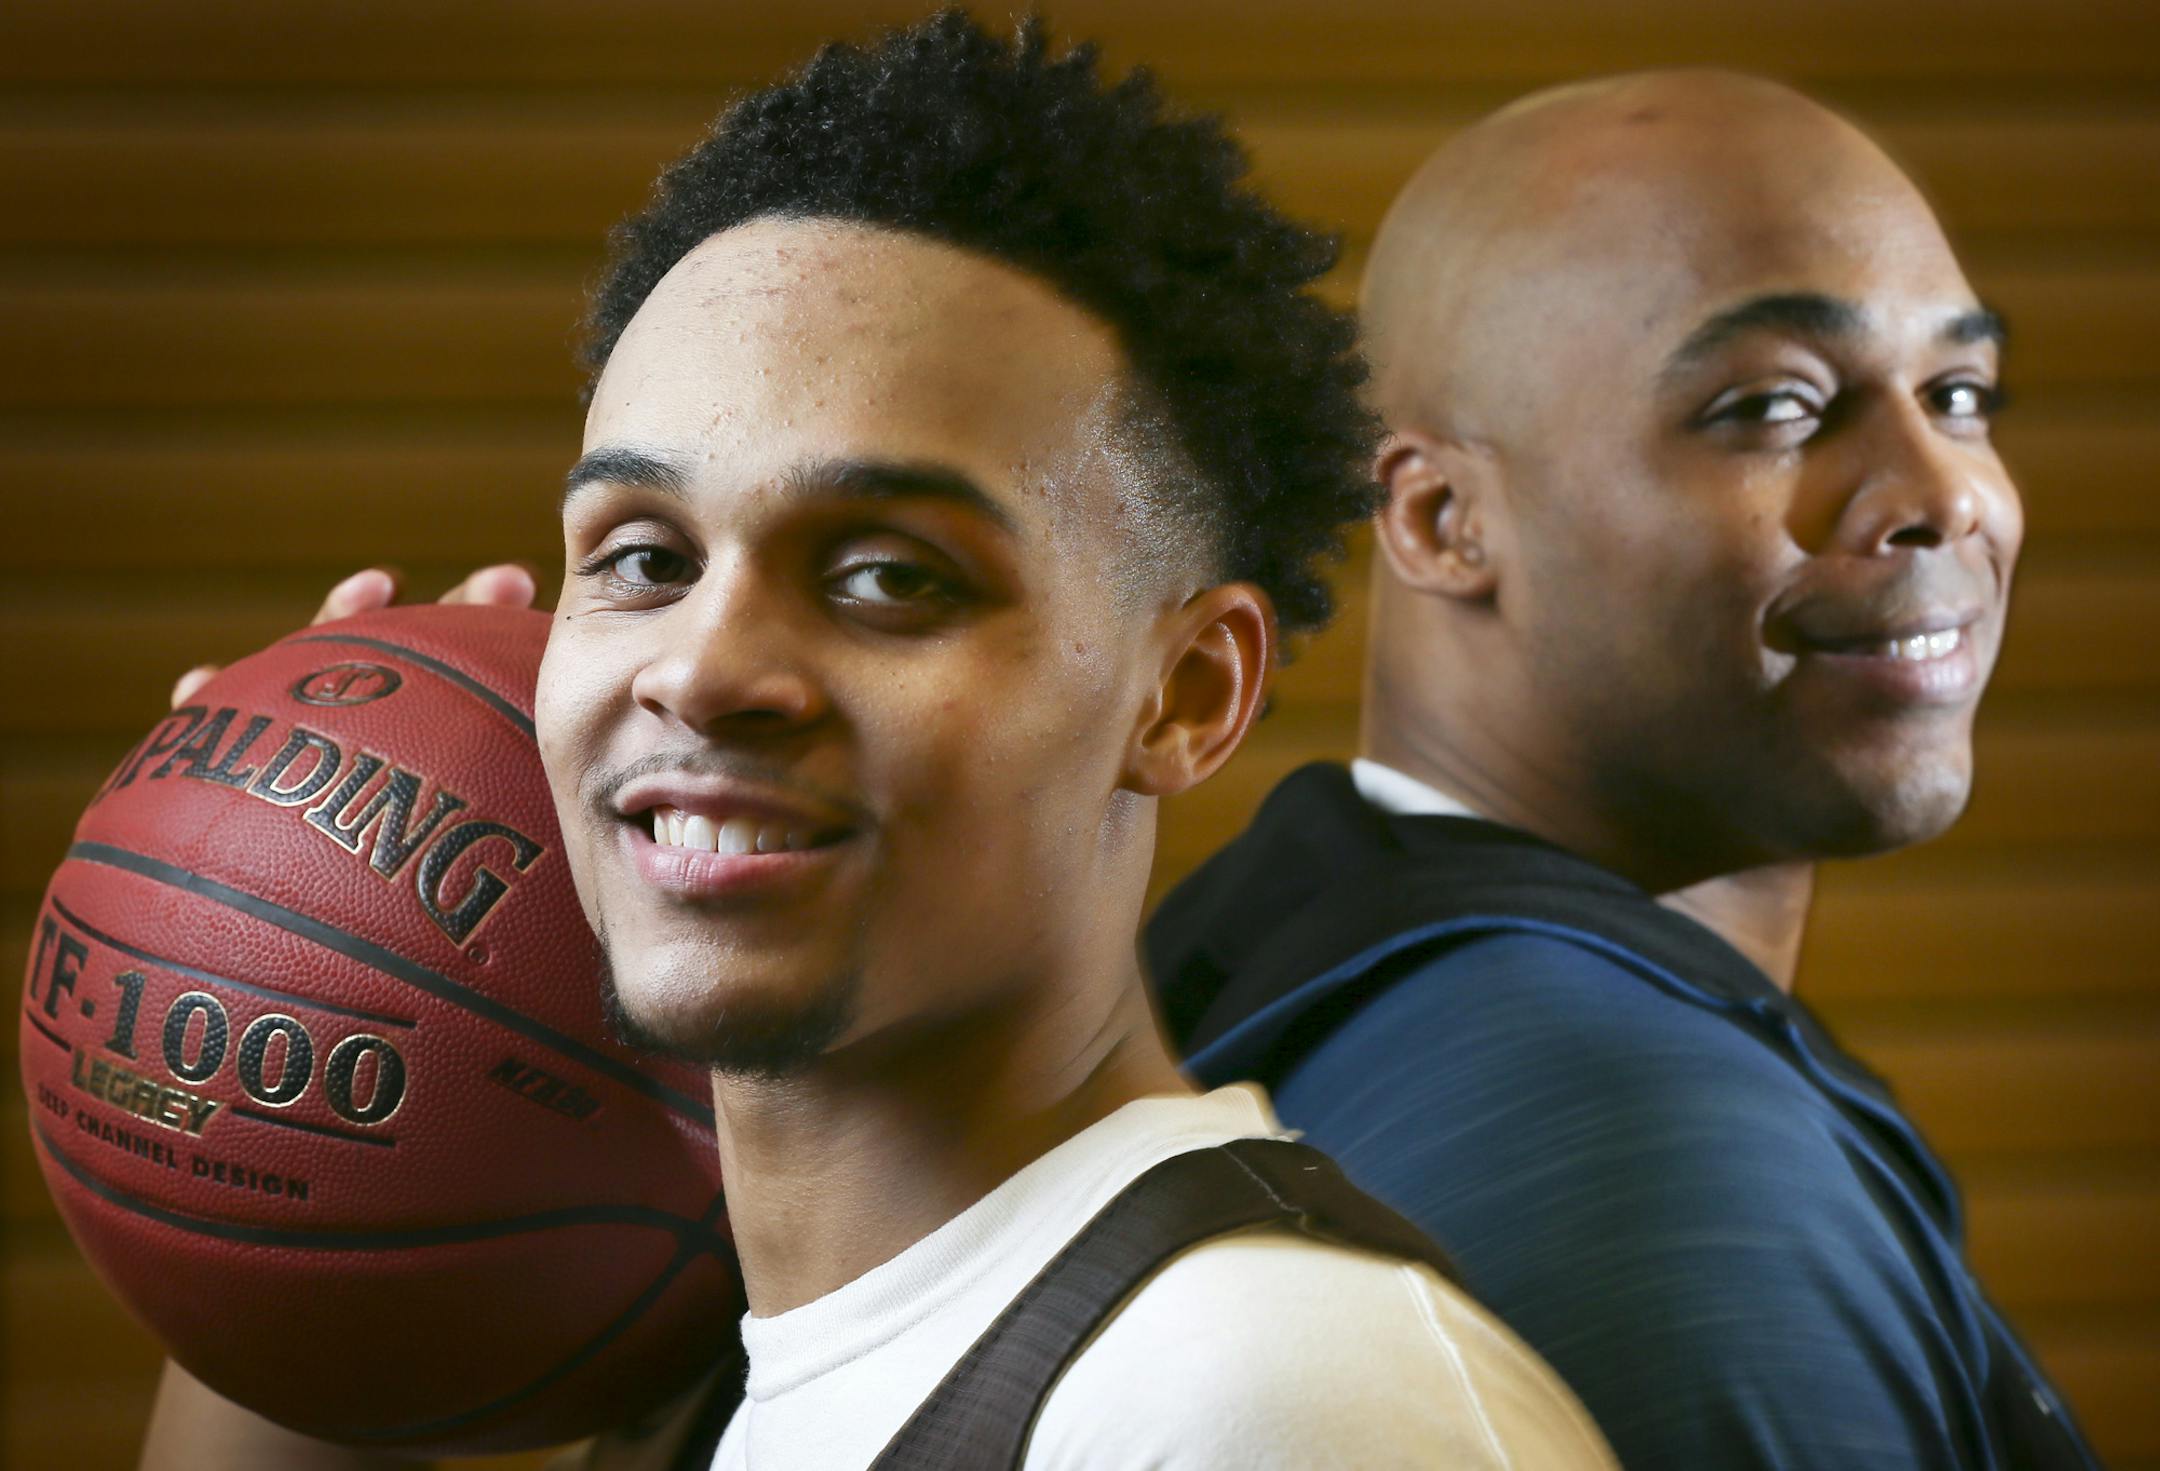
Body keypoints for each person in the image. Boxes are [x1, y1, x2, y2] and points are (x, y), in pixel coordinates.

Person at [140, 14, 1615, 1470]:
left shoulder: (1263, 1403)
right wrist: (297, 965)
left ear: (1184, 694)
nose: (704, 669)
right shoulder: (750, 1366)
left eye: (889, 578)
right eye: (646, 559)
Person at [1147, 70, 2100, 1470]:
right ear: (1441, 518)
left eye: (1959, 394)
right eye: (1775, 407)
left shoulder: (1286, 964)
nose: (1944, 493)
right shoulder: (1658, 1174)